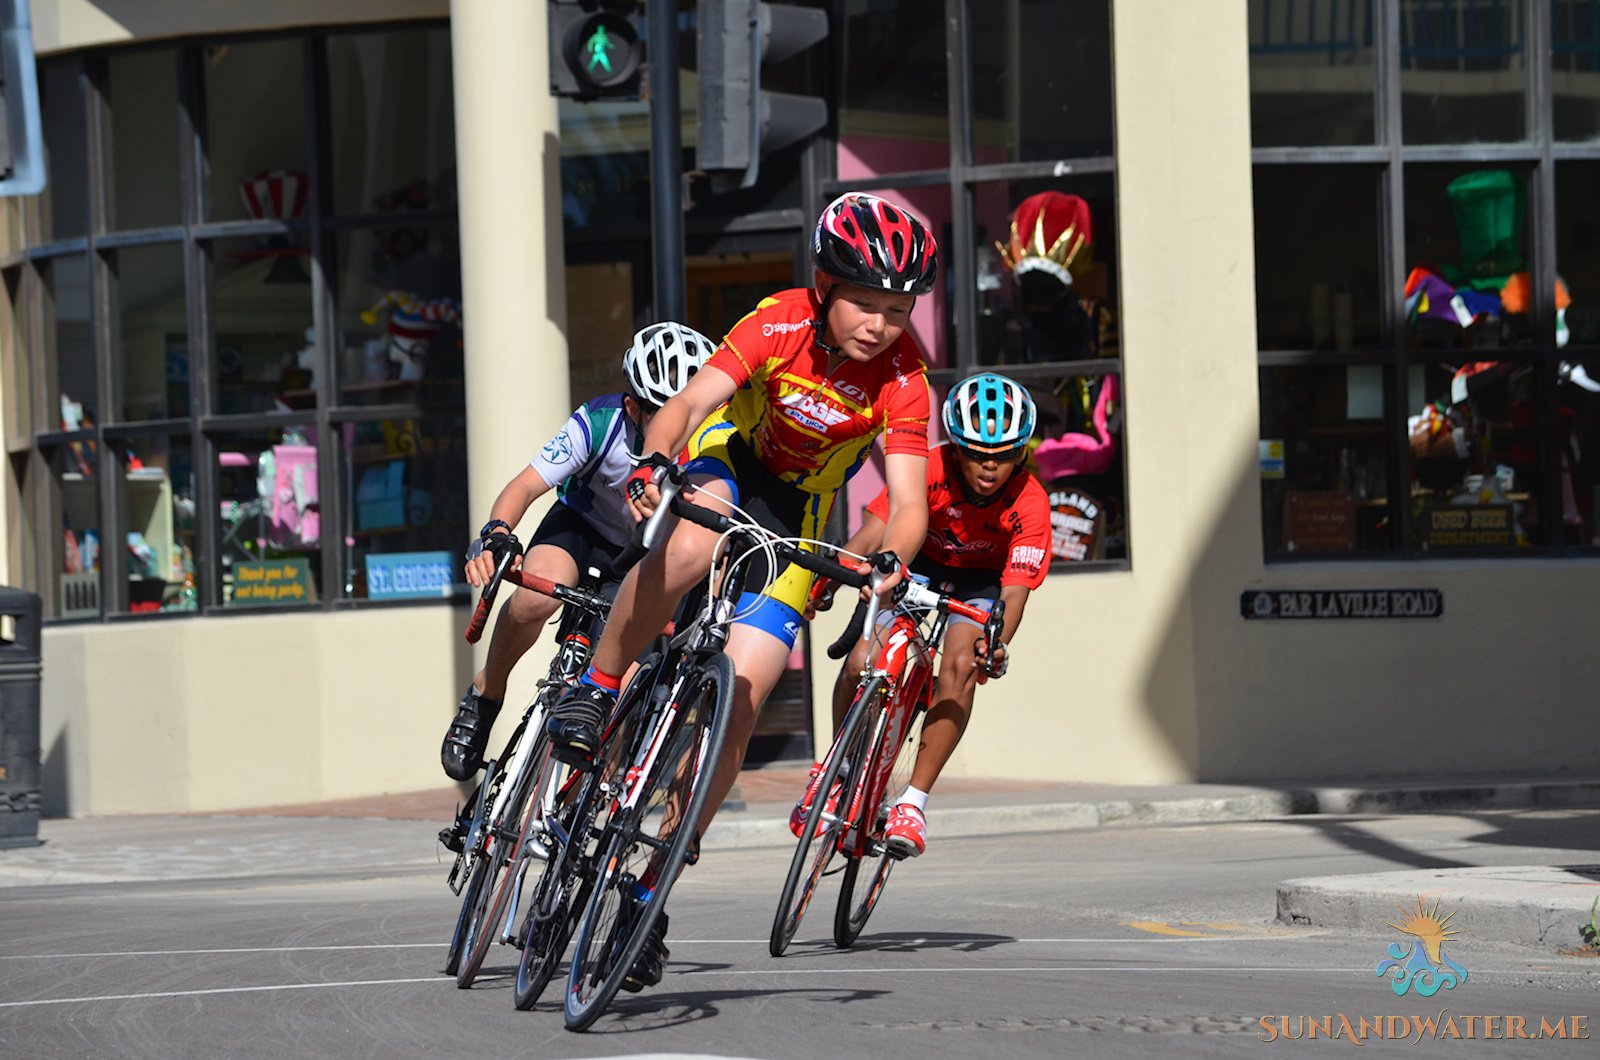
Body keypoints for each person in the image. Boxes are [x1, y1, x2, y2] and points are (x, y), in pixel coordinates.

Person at [543, 191, 940, 991]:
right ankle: (599, 683)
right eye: (865, 302)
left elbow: (907, 504)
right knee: (694, 540)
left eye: (898, 309)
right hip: (731, 464)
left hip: (800, 519)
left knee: (744, 700)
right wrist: (658, 461)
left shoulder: (904, 377)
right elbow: (689, 405)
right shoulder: (780, 319)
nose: (880, 324)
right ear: (826, 287)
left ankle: (646, 897)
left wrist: (891, 563)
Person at [438, 321, 717, 785]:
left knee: (621, 689)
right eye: (659, 411)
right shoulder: (600, 422)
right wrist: (497, 532)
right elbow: (526, 485)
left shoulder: (708, 451)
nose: (678, 428)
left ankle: (577, 806)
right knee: (535, 598)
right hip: (581, 528)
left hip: (641, 557)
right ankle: (487, 691)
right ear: (633, 407)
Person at [805, 372, 1050, 859]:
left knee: (959, 663)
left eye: (1003, 456)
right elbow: (875, 532)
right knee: (861, 661)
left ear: (1020, 453)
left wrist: (996, 643)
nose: (989, 466)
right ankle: (839, 769)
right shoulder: (927, 467)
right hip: (919, 566)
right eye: (977, 453)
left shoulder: (1031, 501)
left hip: (981, 583)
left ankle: (912, 804)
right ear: (955, 447)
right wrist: (831, 577)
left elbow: (1015, 592)